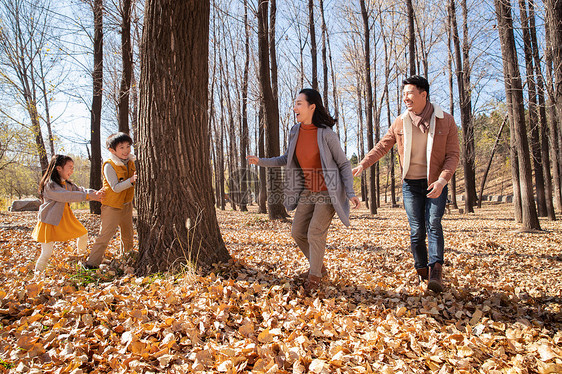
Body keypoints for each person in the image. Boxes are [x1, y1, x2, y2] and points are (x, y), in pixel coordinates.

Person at [352, 75, 459, 293]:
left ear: (423, 94)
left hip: (435, 183)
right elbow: (383, 146)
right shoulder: (400, 121)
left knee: (433, 223)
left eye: (409, 93)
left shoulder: (446, 120)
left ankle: (436, 271)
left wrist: (442, 180)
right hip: (411, 184)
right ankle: (422, 270)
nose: (405, 98)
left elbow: (453, 155)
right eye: (403, 95)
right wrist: (363, 164)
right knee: (417, 230)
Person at [248, 88, 360, 291]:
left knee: (315, 233)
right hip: (309, 191)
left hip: (328, 191)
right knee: (298, 232)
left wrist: (350, 193)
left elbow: (344, 164)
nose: (295, 107)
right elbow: (286, 158)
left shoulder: (326, 134)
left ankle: (315, 277)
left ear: (312, 107)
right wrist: (260, 161)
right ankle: (319, 268)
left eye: (299, 103)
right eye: (295, 103)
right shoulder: (295, 131)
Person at [32, 154, 105, 274]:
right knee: (47, 252)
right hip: (49, 221)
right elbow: (66, 195)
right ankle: (37, 274)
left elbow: (80, 191)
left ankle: (80, 258)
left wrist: (95, 193)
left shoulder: (67, 184)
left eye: (73, 167)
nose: (72, 170)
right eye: (70, 167)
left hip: (65, 218)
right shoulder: (49, 185)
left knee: (83, 234)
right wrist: (88, 196)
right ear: (59, 168)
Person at [85, 132, 137, 269]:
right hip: (112, 205)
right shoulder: (109, 165)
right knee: (105, 235)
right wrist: (131, 181)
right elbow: (115, 187)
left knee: (128, 234)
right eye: (121, 147)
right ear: (112, 150)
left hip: (126, 204)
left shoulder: (131, 162)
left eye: (128, 146)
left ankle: (127, 258)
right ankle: (91, 263)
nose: (126, 150)